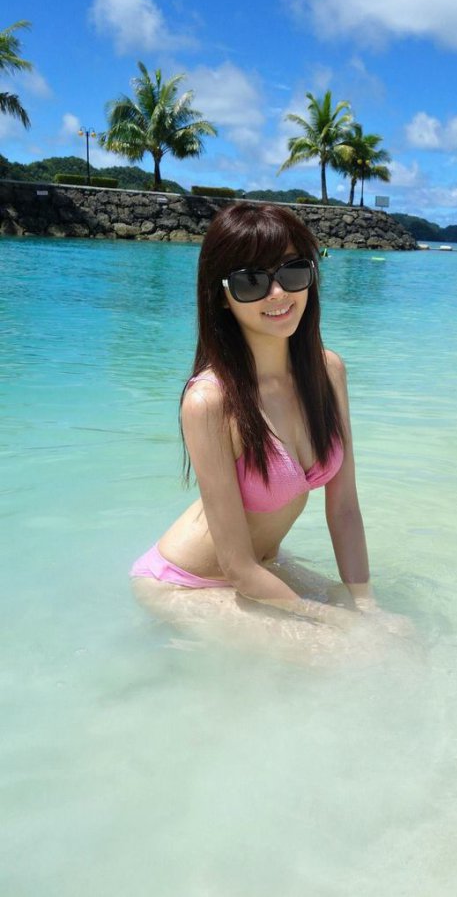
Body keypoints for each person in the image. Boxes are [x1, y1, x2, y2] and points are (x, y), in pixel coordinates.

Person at [130, 202, 404, 657]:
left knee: (400, 636)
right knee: (354, 654)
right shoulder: (210, 402)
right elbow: (236, 567)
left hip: (264, 570)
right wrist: (335, 621)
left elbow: (344, 510)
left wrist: (365, 605)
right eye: (251, 281)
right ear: (222, 295)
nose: (278, 293)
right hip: (189, 584)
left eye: (293, 272)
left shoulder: (328, 372)